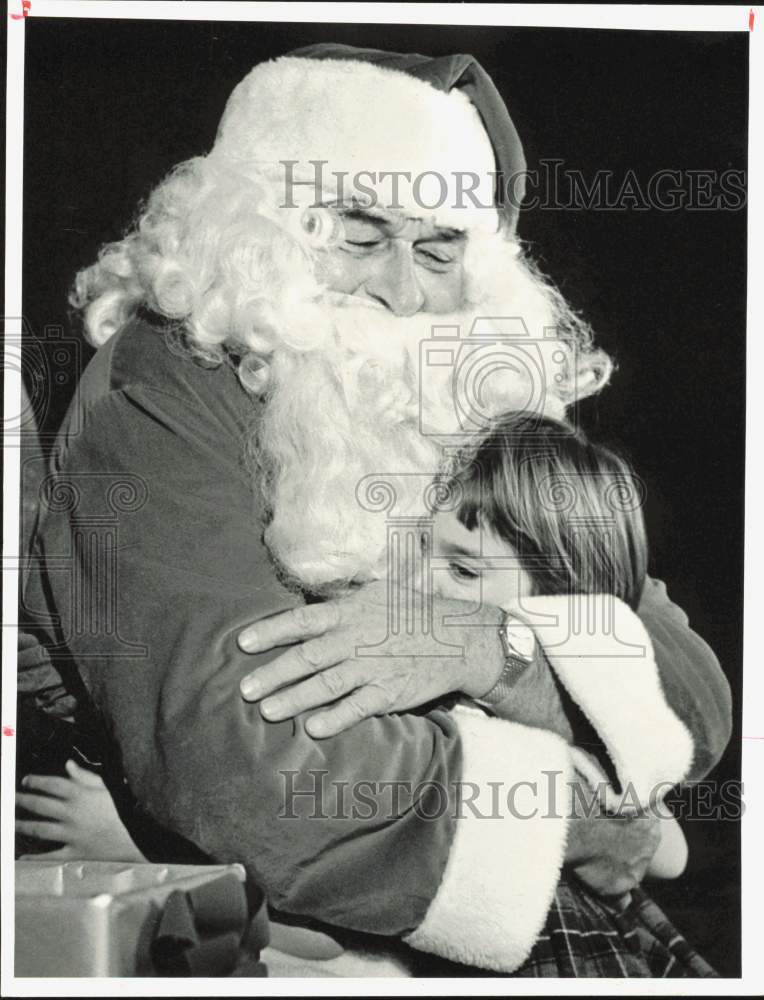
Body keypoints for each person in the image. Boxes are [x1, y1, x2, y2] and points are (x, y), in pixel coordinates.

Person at [19, 44, 732, 975]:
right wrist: (580, 816)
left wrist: (494, 651)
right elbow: (252, 774)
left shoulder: (467, 385)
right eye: (359, 238)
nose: (404, 291)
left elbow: (694, 695)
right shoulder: (164, 387)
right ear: (254, 234)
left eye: (440, 250)